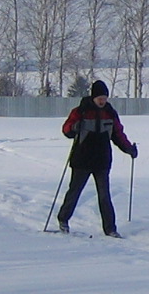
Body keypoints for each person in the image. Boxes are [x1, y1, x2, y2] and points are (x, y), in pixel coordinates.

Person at [57, 79, 137, 238]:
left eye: (105, 98)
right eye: (100, 98)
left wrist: (129, 149)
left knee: (104, 196)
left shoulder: (110, 113)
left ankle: (110, 229)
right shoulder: (80, 111)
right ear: (93, 97)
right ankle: (63, 219)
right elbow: (66, 130)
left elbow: (118, 134)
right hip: (82, 159)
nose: (102, 101)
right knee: (74, 192)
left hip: (102, 160)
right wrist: (74, 127)